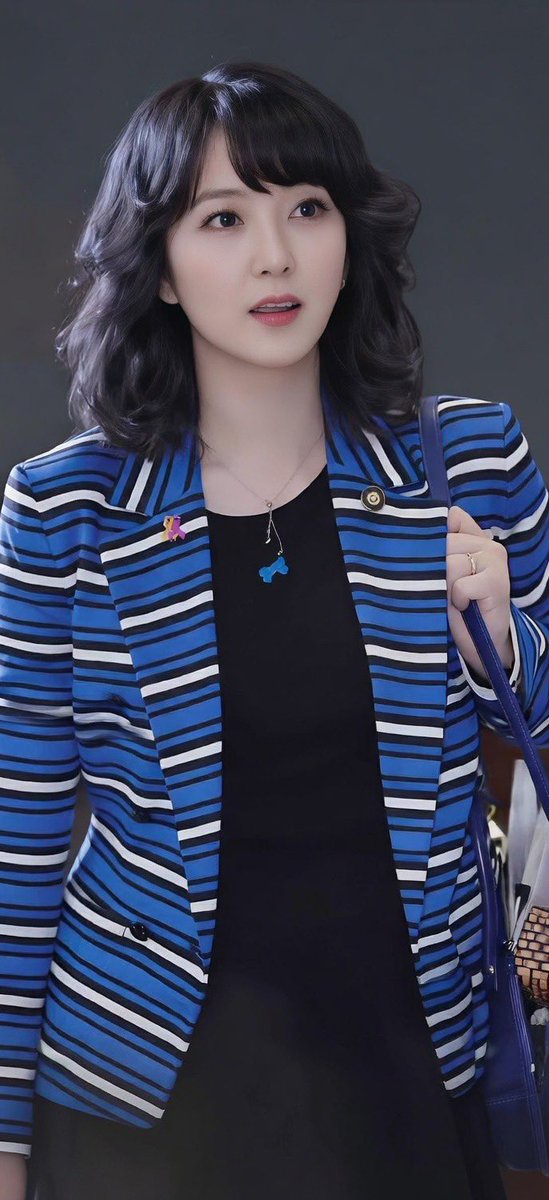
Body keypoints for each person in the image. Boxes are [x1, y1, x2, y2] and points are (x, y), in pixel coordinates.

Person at [0, 59, 546, 1200]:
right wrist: (1, 1140)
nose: (274, 256)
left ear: (350, 236)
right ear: (158, 266)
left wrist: (504, 636)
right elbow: (22, 833)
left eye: (306, 208)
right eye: (223, 218)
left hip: (408, 1071)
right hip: (141, 1094)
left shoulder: (468, 463)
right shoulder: (64, 510)